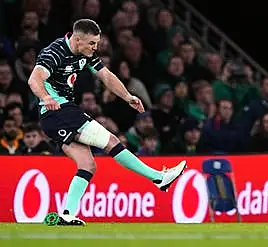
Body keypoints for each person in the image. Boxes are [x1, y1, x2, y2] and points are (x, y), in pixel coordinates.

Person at [28, 19, 186, 226]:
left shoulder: (85, 53)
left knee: (88, 164)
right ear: (77, 39)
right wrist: (46, 98)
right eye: (92, 43)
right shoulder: (54, 52)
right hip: (58, 111)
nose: (95, 48)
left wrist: (128, 96)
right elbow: (34, 79)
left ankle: (66, 215)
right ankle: (158, 178)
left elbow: (106, 76)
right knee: (110, 140)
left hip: (58, 116)